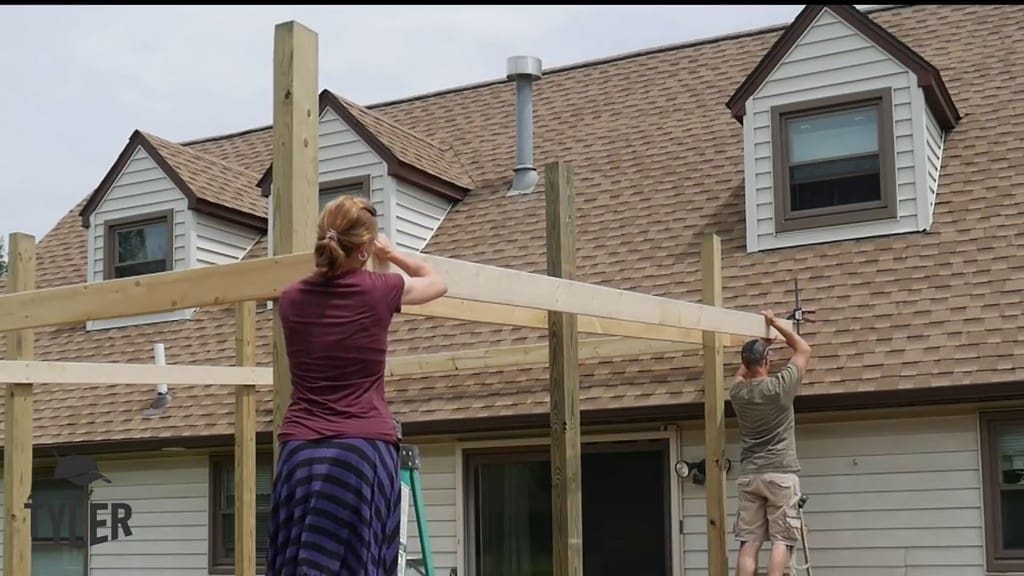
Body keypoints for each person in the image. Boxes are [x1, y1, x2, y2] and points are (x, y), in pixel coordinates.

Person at [265, 195, 448, 576]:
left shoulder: (290, 299)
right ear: (364, 249)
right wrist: (393, 253)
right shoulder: (378, 289)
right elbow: (436, 282)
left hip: (300, 455)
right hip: (361, 452)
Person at [728, 309, 812, 576]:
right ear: (766, 361)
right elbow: (803, 349)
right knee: (781, 539)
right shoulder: (779, 388)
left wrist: (761, 348)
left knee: (749, 542)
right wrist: (776, 324)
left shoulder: (738, 393)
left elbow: (743, 372)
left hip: (750, 475)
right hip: (779, 474)